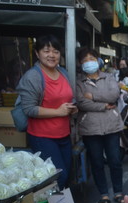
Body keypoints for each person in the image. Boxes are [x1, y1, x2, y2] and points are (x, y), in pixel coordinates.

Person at [15, 34, 76, 189]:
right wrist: (58, 112)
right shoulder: (33, 77)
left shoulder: (63, 73)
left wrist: (72, 108)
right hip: (42, 137)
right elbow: (29, 109)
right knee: (57, 178)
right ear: (37, 53)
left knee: (67, 175)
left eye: (55, 51)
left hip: (64, 134)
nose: (51, 55)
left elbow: (68, 98)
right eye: (46, 51)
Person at [75, 47, 125, 203]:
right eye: (85, 60)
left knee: (115, 160)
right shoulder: (79, 82)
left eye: (91, 58)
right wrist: (104, 106)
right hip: (90, 127)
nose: (89, 62)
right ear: (80, 63)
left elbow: (114, 95)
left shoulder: (108, 77)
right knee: (96, 162)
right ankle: (103, 194)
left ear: (97, 60)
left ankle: (118, 192)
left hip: (112, 125)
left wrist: (94, 97)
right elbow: (82, 102)